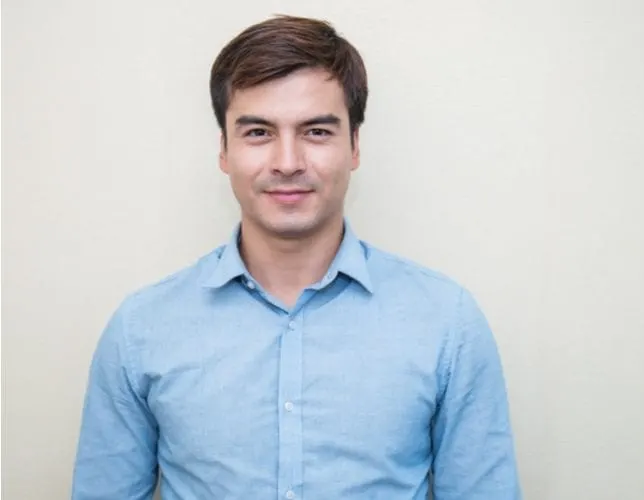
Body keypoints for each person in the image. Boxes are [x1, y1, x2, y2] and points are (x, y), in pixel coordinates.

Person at [71, 14, 521, 500]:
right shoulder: (141, 329)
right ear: (224, 150)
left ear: (354, 146)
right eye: (259, 132)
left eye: (316, 132)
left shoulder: (446, 324)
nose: (287, 162)